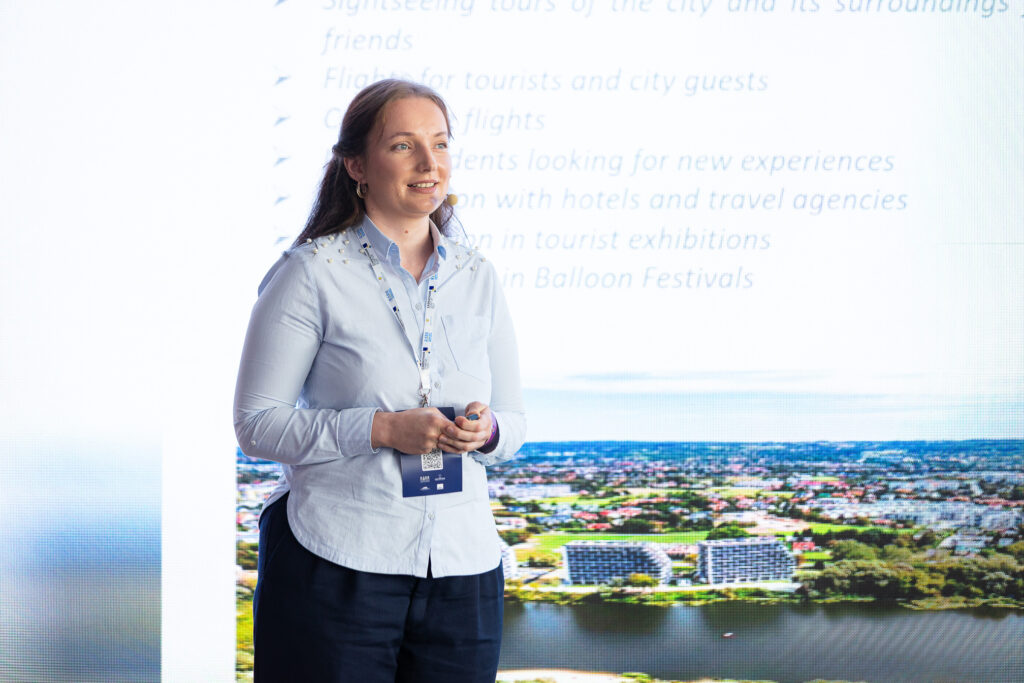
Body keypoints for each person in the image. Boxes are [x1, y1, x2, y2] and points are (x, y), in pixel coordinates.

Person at [233, 79, 526, 682]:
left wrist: (488, 430)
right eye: (404, 146)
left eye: (441, 144)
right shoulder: (310, 273)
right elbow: (257, 425)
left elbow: (516, 423)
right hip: (335, 562)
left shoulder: (478, 275)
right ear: (356, 165)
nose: (429, 163)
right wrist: (384, 428)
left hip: (463, 567)